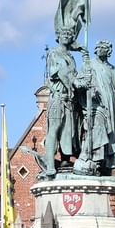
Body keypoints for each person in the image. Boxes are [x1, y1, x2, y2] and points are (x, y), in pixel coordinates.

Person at [74, 39, 115, 175]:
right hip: (95, 104)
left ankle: (109, 163)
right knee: (98, 128)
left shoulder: (112, 69)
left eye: (106, 48)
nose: (103, 50)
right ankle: (93, 159)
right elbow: (79, 82)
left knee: (112, 134)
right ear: (96, 49)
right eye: (101, 47)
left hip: (111, 105)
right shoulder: (89, 65)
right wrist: (85, 88)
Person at [45, 26, 82, 177]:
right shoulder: (54, 53)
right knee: (54, 129)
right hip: (58, 98)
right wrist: (75, 83)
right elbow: (61, 72)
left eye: (69, 34)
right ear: (58, 37)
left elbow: (74, 75)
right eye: (63, 33)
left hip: (69, 100)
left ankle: (65, 158)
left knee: (68, 132)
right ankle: (49, 164)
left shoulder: (71, 57)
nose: (67, 36)